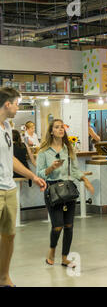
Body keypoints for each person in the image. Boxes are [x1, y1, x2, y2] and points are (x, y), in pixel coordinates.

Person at [0, 87, 46, 287]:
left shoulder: (8, 127)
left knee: (9, 235)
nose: (18, 108)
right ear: (7, 104)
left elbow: (9, 159)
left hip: (9, 188)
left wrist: (32, 176)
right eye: (17, 103)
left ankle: (3, 277)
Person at [37, 119, 95, 268]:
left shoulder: (68, 149)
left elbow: (74, 170)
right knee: (57, 226)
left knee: (69, 225)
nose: (60, 129)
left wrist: (85, 181)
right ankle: (51, 251)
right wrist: (51, 168)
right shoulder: (43, 151)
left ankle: (65, 258)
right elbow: (39, 173)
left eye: (62, 127)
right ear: (51, 131)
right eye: (57, 127)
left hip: (68, 189)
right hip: (53, 190)